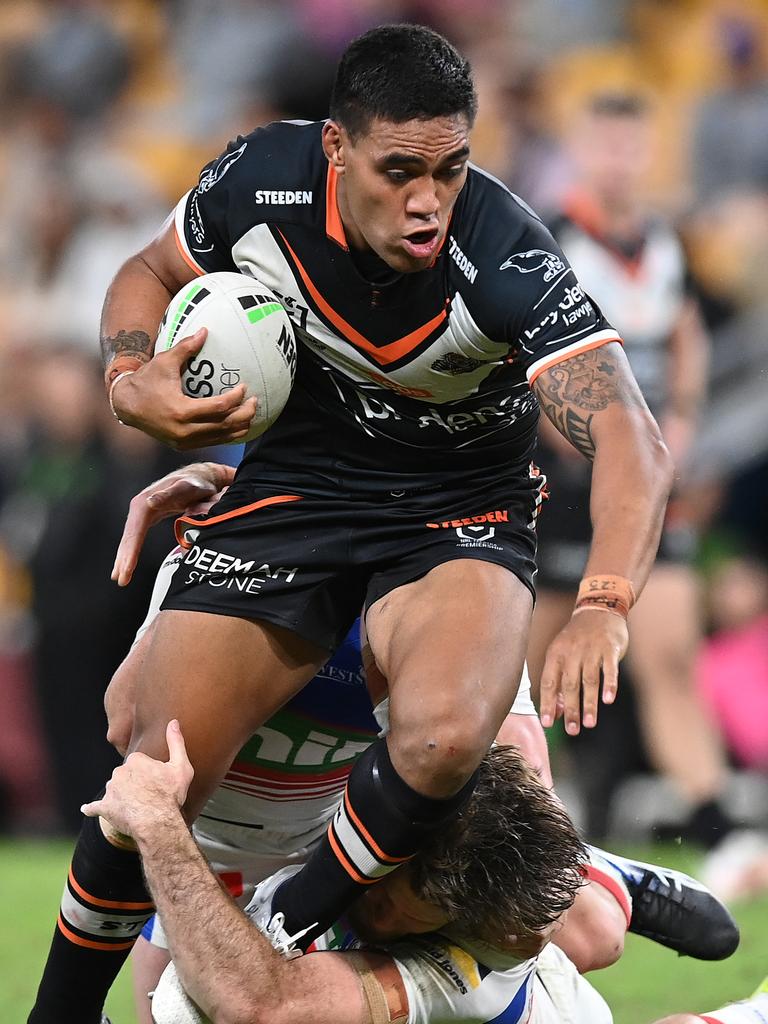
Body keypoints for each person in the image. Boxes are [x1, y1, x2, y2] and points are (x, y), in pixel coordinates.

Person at [29, 26, 673, 1023]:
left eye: (451, 169)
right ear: (335, 150)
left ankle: (299, 921)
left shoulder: (501, 252)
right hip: (301, 489)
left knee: (449, 743)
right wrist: (129, 382)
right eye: (400, 170)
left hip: (457, 509)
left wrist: (605, 601)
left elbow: (633, 439)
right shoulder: (259, 182)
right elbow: (147, 273)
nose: (427, 200)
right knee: (157, 764)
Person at [105, 463, 736, 1020]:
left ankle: (580, 869)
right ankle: (602, 870)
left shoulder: (451, 585)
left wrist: (602, 606)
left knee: (591, 933)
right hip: (253, 835)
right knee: (173, 1004)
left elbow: (263, 1005)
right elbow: (122, 719)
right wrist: (192, 563)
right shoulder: (255, 548)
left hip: (369, 825)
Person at [84, 724, 753, 1024]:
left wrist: (159, 828)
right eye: (407, 891)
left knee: (193, 1002)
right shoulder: (391, 783)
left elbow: (262, 1005)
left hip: (543, 1007)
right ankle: (595, 880)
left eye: (423, 913)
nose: (395, 919)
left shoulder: (466, 972)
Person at [526, 91, 733, 844]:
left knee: (669, 654)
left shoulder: (667, 243)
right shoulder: (549, 239)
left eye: (630, 144)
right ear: (582, 151)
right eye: (605, 144)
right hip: (565, 483)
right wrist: (564, 430)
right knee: (526, 667)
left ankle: (716, 825)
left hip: (643, 478)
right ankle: (527, 807)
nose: (619, 159)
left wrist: (679, 411)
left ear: (648, 153)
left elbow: (686, 329)